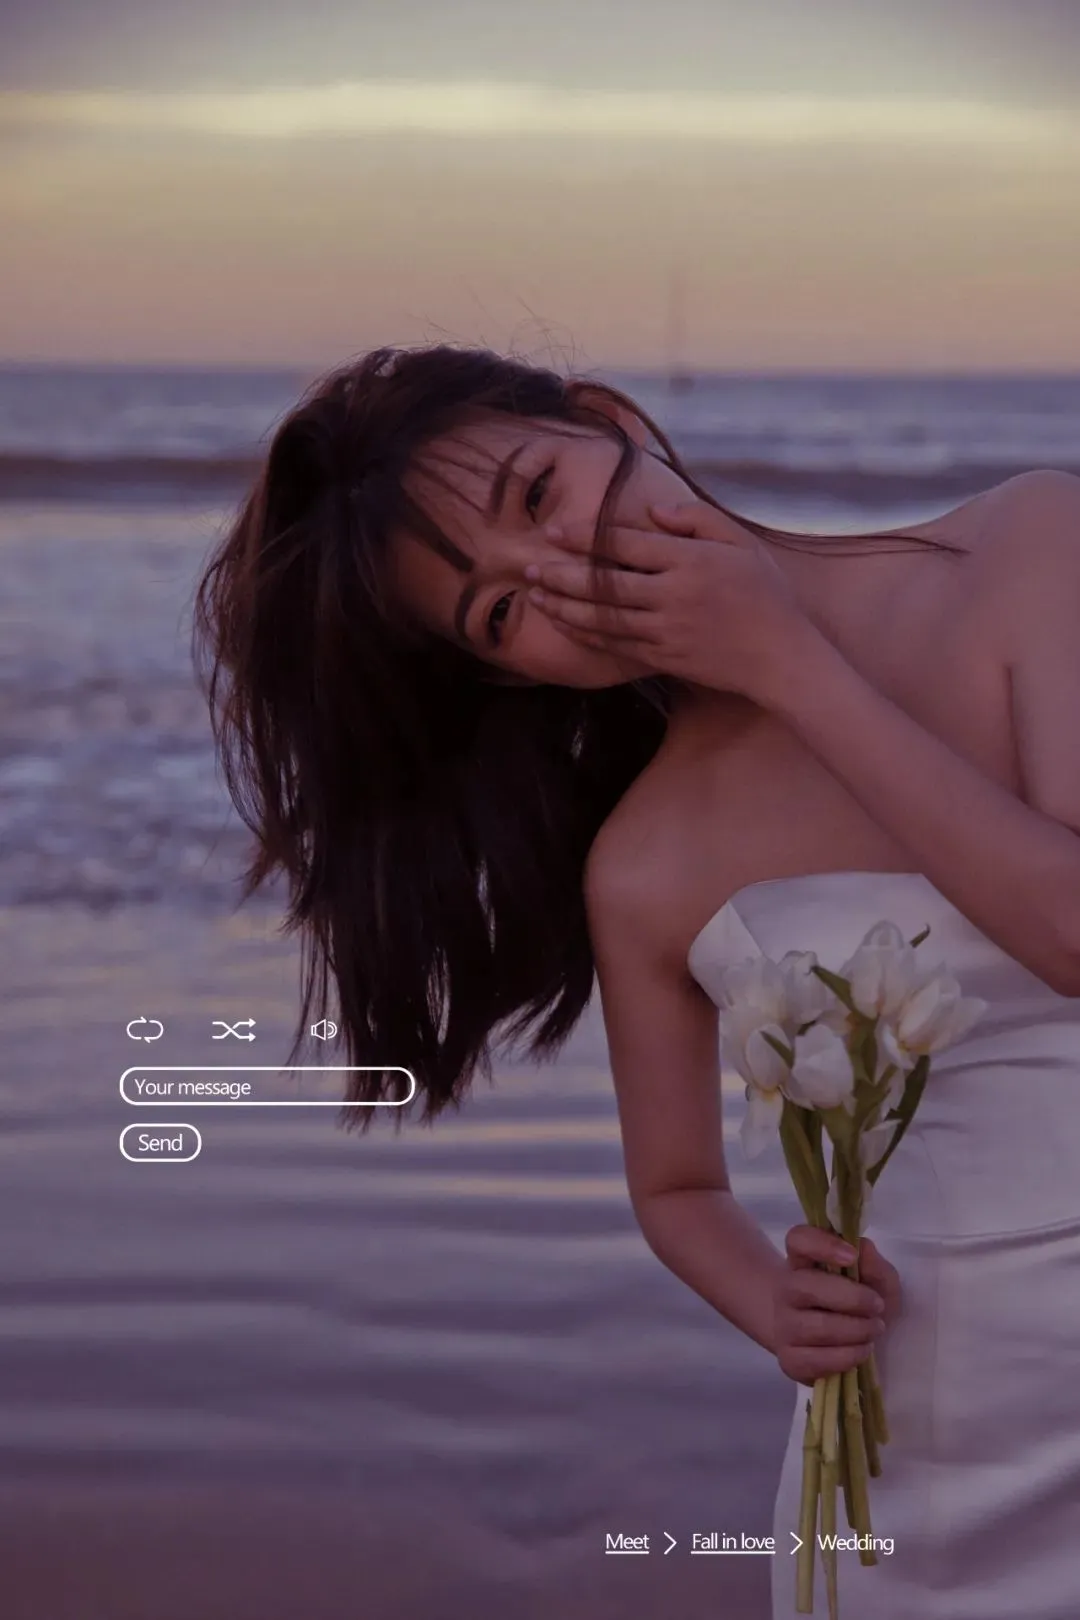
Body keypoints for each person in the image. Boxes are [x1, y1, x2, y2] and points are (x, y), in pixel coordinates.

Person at [193, 343, 1080, 1617]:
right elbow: (675, 1190)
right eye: (502, 614)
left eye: (538, 493)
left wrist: (792, 665)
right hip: (935, 1445)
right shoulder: (651, 866)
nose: (566, 577)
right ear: (508, 675)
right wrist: (772, 1302)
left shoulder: (1028, 549)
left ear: (610, 421)